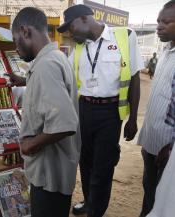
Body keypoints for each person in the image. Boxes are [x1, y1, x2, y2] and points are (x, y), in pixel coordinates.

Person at [57, 4, 143, 217]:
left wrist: (133, 118)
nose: (70, 33)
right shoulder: (78, 46)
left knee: (103, 167)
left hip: (110, 113)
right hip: (83, 111)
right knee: (85, 163)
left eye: (71, 27)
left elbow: (134, 78)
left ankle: (96, 211)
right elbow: (62, 75)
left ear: (85, 19)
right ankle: (88, 201)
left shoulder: (125, 36)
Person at [11, 7, 80, 217]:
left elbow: (65, 123)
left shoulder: (46, 65)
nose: (16, 48)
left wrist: (30, 144)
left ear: (25, 31)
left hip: (49, 175)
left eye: (15, 41)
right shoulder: (55, 57)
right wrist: (25, 80)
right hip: (56, 172)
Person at [138, 1, 175, 216]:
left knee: (163, 200)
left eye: (166, 21)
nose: (159, 26)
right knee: (149, 192)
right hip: (152, 144)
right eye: (158, 21)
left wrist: (170, 147)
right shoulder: (165, 51)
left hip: (168, 151)